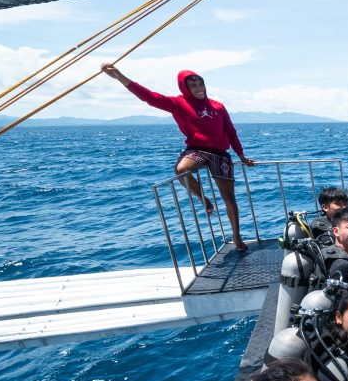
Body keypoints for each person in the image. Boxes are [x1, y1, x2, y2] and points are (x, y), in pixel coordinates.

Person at [100, 64, 255, 250]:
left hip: (221, 153)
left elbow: (231, 132)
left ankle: (237, 237)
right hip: (197, 149)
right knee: (181, 170)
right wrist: (119, 76)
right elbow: (149, 97)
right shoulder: (178, 104)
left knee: (229, 198)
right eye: (193, 85)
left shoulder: (218, 106)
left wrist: (241, 155)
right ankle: (203, 199)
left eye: (201, 84)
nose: (199, 88)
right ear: (185, 88)